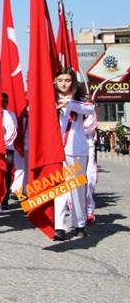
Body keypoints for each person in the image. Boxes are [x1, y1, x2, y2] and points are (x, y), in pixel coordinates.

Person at [53, 67, 95, 240]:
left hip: (76, 150)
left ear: (73, 82)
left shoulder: (80, 100)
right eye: (61, 80)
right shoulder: (50, 98)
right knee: (59, 188)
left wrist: (69, 103)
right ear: (55, 81)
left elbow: (89, 109)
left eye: (67, 80)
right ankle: (59, 227)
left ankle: (79, 224)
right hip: (55, 151)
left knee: (77, 188)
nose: (64, 84)